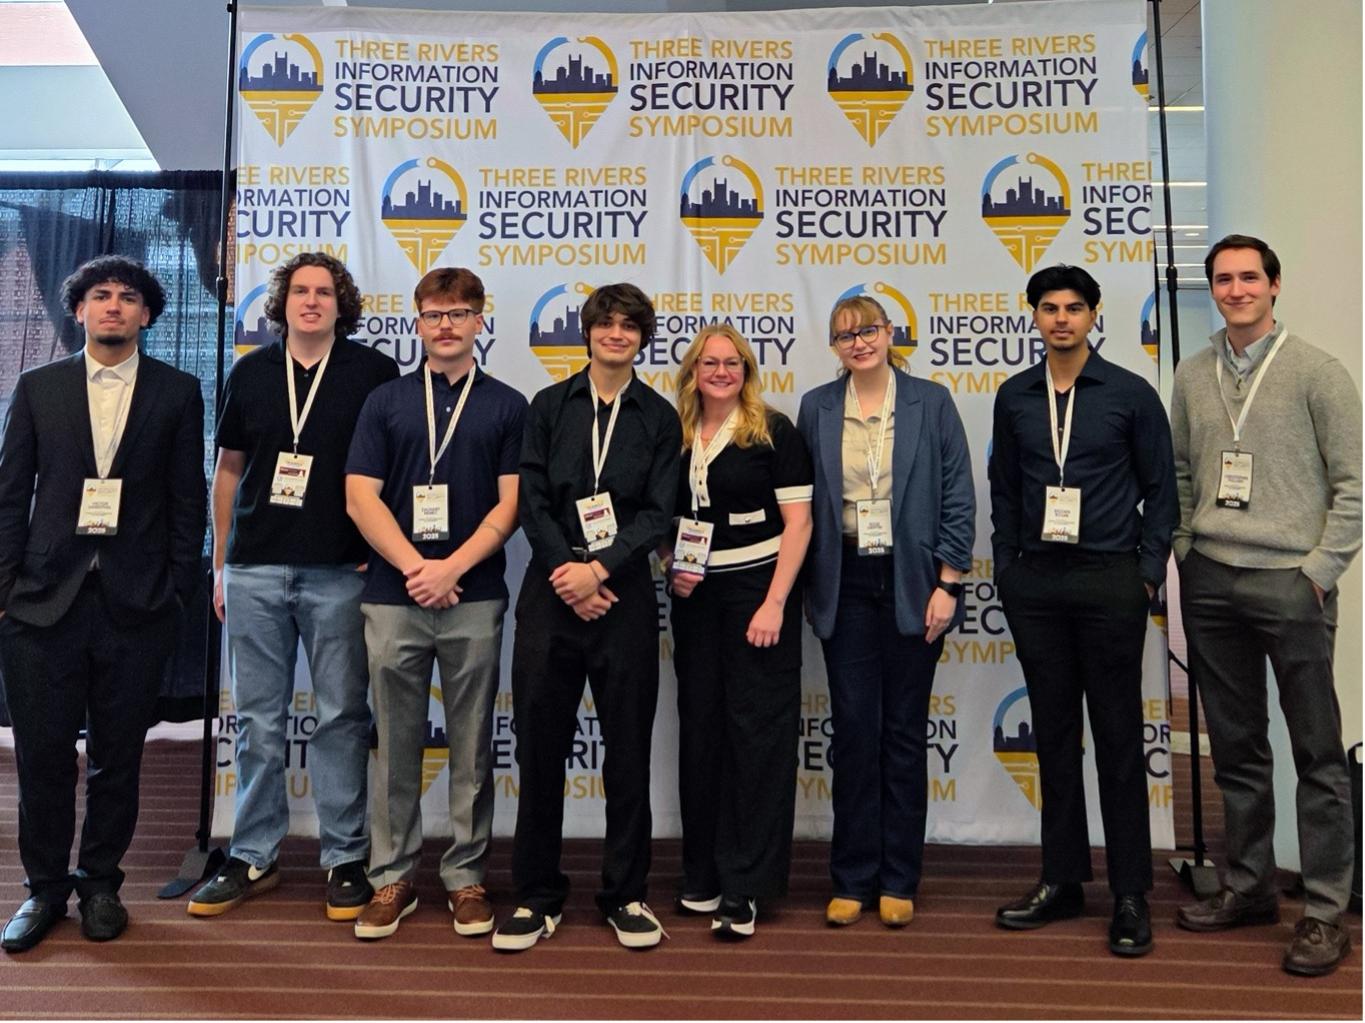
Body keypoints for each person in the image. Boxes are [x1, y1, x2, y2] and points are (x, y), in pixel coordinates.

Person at [0, 257, 206, 951]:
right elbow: (9, 496)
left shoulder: (179, 391)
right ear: (79, 310)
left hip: (137, 604)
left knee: (119, 756)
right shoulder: (37, 388)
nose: (113, 306)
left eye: (128, 297)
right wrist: (3, 593)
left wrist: (176, 588)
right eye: (100, 296)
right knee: (44, 755)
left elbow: (188, 500)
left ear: (147, 314)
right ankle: (43, 889)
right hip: (40, 603)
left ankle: (99, 885)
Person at [1171, 235, 1361, 977]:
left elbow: (1352, 485)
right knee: (1237, 747)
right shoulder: (1191, 375)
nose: (1235, 288)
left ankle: (1322, 910)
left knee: (1316, 752)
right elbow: (1182, 471)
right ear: (1210, 289)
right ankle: (1247, 887)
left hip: (1291, 584)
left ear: (1274, 285)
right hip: (1213, 578)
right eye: (1222, 278)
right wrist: (1188, 546)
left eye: (1249, 276)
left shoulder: (1318, 372)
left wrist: (1315, 571)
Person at [187, 253, 398, 921]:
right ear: (282, 303)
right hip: (253, 567)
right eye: (300, 291)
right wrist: (220, 561)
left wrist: (376, 550)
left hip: (339, 568)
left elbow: (388, 472)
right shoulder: (250, 371)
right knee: (257, 720)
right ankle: (253, 852)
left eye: (324, 291)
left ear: (342, 303)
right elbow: (227, 471)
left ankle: (343, 856)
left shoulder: (373, 373)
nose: (312, 301)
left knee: (341, 715)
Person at [988, 264, 1176, 957]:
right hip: (1035, 582)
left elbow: (1161, 490)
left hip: (1108, 579)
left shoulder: (1128, 393)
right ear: (1033, 316)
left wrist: (1147, 575)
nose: (1060, 318)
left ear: (1094, 314)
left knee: (1120, 737)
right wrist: (1006, 566)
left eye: (1072, 307)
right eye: (1048, 308)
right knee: (1054, 737)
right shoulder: (1014, 397)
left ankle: (1129, 893)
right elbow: (1003, 489)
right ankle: (1061, 878)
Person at [493, 283, 681, 952]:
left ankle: (625, 894)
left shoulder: (658, 416)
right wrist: (568, 574)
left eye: (630, 326)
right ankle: (537, 896)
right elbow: (532, 501)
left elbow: (659, 512)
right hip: (550, 594)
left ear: (641, 338)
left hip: (623, 596)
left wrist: (598, 571)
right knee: (540, 750)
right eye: (606, 323)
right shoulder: (548, 405)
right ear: (588, 332)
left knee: (627, 752)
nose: (616, 334)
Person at [344, 267, 526, 940]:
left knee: (472, 742)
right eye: (432, 314)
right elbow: (359, 496)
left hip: (473, 593)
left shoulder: (508, 404)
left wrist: (450, 567)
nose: (445, 325)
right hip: (395, 595)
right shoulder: (384, 401)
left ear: (480, 321)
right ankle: (391, 875)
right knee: (394, 741)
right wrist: (418, 567)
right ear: (416, 323)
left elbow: (511, 503)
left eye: (459, 313)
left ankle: (466, 875)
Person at [797, 294, 974, 930]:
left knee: (902, 732)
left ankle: (899, 877)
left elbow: (958, 495)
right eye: (844, 335)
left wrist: (948, 584)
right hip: (844, 577)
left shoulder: (932, 401)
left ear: (889, 332)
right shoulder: (816, 406)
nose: (858, 343)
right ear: (834, 346)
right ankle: (851, 877)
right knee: (852, 732)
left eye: (867, 330)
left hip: (912, 579)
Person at [666, 324, 813, 940]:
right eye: (709, 362)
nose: (721, 372)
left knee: (757, 738)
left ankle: (746, 886)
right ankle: (702, 871)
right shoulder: (674, 433)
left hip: (759, 597)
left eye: (732, 363)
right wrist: (673, 567)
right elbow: (663, 514)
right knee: (702, 733)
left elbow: (799, 524)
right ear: (693, 371)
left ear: (747, 370)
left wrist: (776, 603)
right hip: (696, 599)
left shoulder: (773, 432)